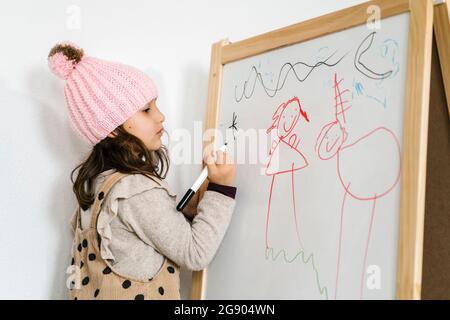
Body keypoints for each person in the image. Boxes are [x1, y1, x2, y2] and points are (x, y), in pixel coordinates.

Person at [47, 41, 237, 300]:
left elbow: (145, 231)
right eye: (146, 110)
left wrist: (191, 207)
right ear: (112, 129)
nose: (160, 117)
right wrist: (221, 188)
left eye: (156, 105)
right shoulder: (135, 190)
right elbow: (195, 253)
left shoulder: (96, 183)